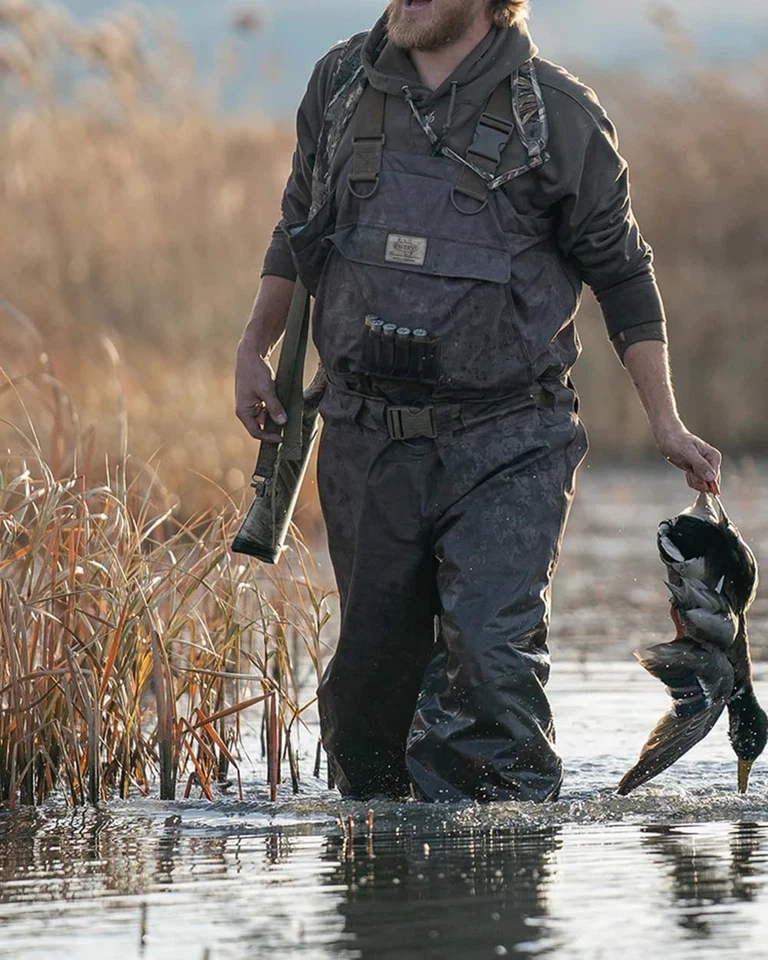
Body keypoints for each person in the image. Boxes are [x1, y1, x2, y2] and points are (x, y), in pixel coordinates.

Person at [235, 0, 722, 803]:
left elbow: (624, 275)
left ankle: (498, 884)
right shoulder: (340, 85)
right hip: (365, 435)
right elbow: (299, 223)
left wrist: (664, 420)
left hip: (511, 441)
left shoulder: (559, 115)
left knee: (492, 670)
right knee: (367, 703)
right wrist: (255, 345)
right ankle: (383, 897)